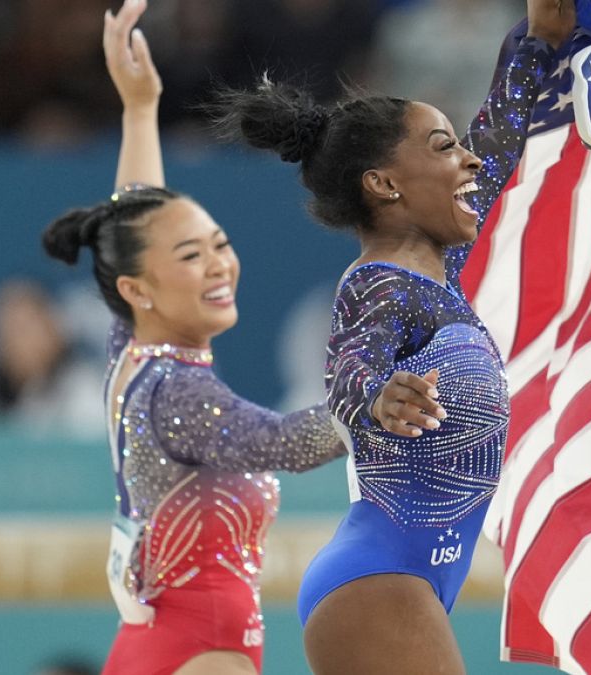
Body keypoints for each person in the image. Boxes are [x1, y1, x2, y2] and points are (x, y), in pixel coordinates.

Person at [213, 1, 574, 671]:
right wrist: (375, 398)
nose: (467, 160)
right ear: (384, 185)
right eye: (443, 147)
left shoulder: (437, 276)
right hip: (377, 579)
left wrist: (536, 45)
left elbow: (495, 147)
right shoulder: (380, 285)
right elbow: (350, 373)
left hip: (411, 580)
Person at [40, 2, 346, 673]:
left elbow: (134, 230)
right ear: (139, 290)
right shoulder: (178, 389)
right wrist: (377, 403)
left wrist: (139, 109)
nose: (219, 264)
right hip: (201, 645)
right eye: (192, 255)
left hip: (160, 642)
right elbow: (285, 441)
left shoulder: (138, 354)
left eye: (220, 244)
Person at [0, 278, 104, 437]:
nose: (19, 340)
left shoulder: (84, 389)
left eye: (28, 327)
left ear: (53, 331)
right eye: (10, 328)